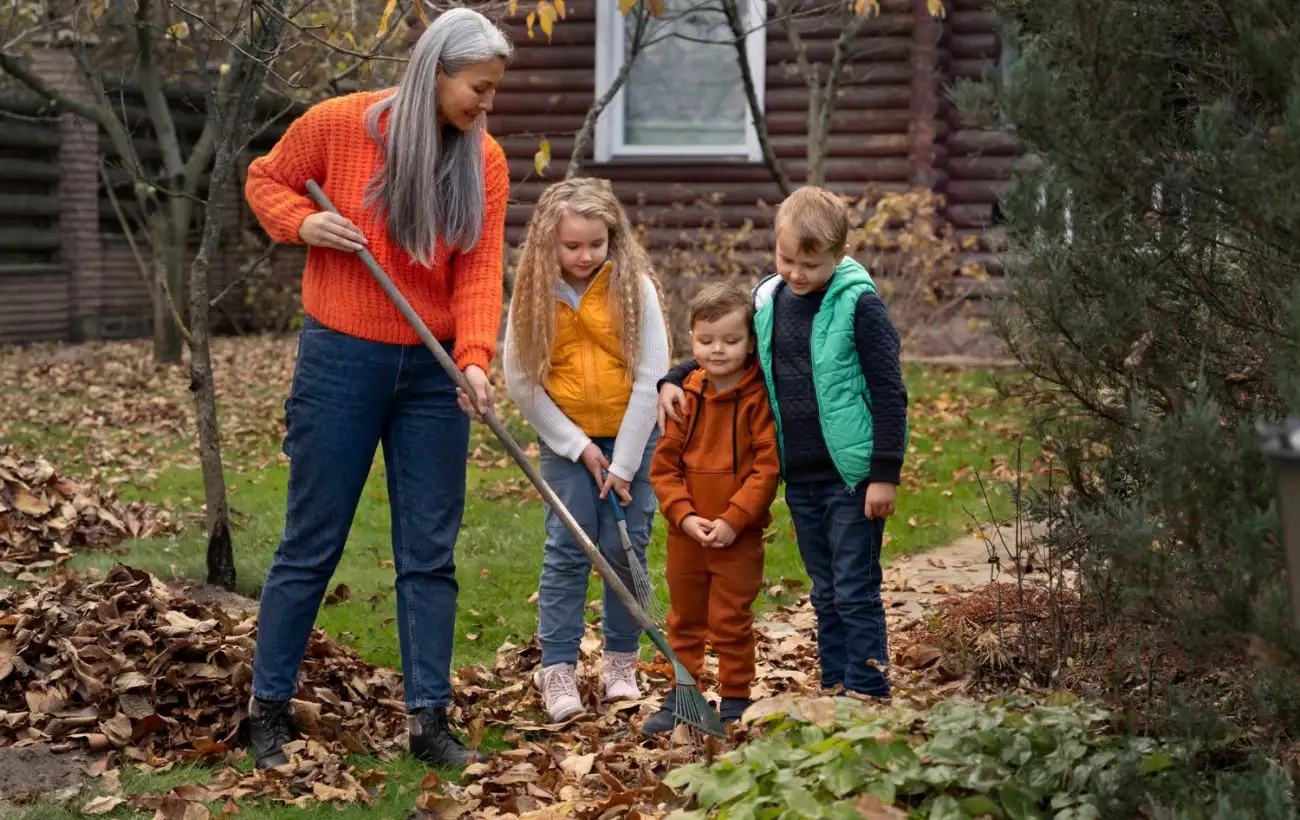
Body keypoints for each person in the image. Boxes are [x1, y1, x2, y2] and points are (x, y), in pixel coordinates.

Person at [240, 8, 513, 770]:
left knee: (429, 551)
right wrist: (304, 224)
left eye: (493, 92)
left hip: (434, 374)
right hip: (341, 360)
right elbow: (266, 178)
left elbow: (480, 268)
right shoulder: (337, 126)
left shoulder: (483, 160)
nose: (486, 106)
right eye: (478, 89)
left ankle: (428, 722)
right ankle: (266, 711)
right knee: (311, 541)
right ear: (437, 71)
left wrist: (478, 357)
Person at [656, 186, 909, 701]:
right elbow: (728, 346)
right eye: (786, 258)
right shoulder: (769, 301)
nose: (796, 273)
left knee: (855, 587)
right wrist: (676, 375)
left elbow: (889, 391)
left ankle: (868, 687)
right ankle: (835, 682)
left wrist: (884, 472)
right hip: (802, 474)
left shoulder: (860, 305)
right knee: (825, 590)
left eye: (809, 264)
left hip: (852, 475)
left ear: (839, 255)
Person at [504, 178, 671, 724]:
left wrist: (623, 464)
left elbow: (652, 377)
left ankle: (622, 661)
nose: (584, 256)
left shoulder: (634, 286)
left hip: (633, 435)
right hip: (567, 442)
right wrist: (577, 447)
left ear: (612, 238)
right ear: (548, 244)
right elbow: (522, 381)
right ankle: (558, 669)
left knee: (625, 547)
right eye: (571, 246)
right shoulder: (533, 293)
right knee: (568, 549)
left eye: (595, 244)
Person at [642, 282, 781, 734]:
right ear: (691, 339)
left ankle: (736, 697)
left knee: (731, 620)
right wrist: (682, 515)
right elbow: (663, 469)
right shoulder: (683, 395)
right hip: (687, 536)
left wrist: (733, 520)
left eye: (730, 340)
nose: (717, 350)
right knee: (684, 619)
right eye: (705, 340)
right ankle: (683, 693)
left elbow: (766, 468)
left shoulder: (759, 399)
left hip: (736, 538)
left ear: (750, 342)